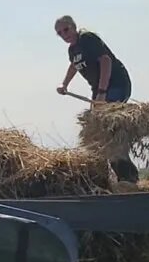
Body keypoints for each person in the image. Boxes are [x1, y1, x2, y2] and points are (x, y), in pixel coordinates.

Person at [54, 14, 139, 183]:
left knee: (108, 128)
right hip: (100, 90)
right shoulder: (72, 50)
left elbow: (105, 61)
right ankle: (120, 177)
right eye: (60, 33)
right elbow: (74, 65)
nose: (64, 35)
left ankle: (128, 177)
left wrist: (102, 91)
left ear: (74, 26)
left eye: (66, 30)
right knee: (98, 133)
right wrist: (64, 85)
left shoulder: (88, 39)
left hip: (115, 84)